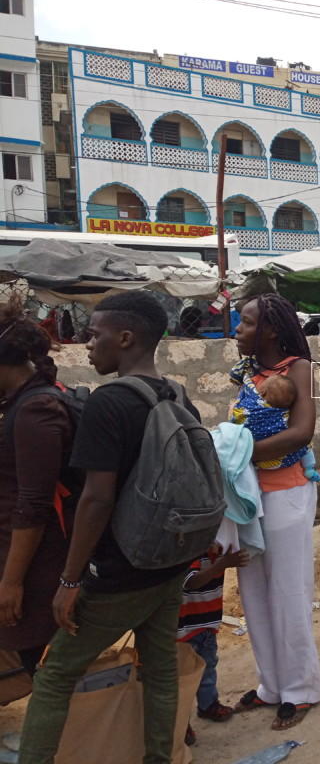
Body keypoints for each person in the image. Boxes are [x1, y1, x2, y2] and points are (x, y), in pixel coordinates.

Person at [18, 291, 199, 764]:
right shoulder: (177, 395)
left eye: (94, 334)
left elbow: (97, 498)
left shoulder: (109, 403)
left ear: (125, 338)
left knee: (56, 673)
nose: (87, 343)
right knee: (159, 666)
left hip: (121, 569)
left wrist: (70, 580)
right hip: (169, 560)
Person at [230, 293, 320, 731]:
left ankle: (300, 689)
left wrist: (237, 453)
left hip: (286, 493)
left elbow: (301, 432)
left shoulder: (297, 369)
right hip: (248, 494)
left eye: (246, 323)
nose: (238, 330)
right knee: (253, 592)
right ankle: (271, 685)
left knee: (288, 592)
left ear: (269, 330)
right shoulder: (248, 372)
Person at [0, 300, 74, 677]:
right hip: (25, 558)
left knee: (45, 670)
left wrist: (11, 582)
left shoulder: (36, 409)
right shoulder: (25, 400)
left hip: (36, 567)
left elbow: (34, 503)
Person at [178, 546, 250, 745]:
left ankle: (208, 705)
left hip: (208, 624)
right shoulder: (189, 549)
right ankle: (180, 723)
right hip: (184, 630)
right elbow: (190, 582)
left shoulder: (220, 550)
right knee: (182, 679)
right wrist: (223, 564)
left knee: (208, 668)